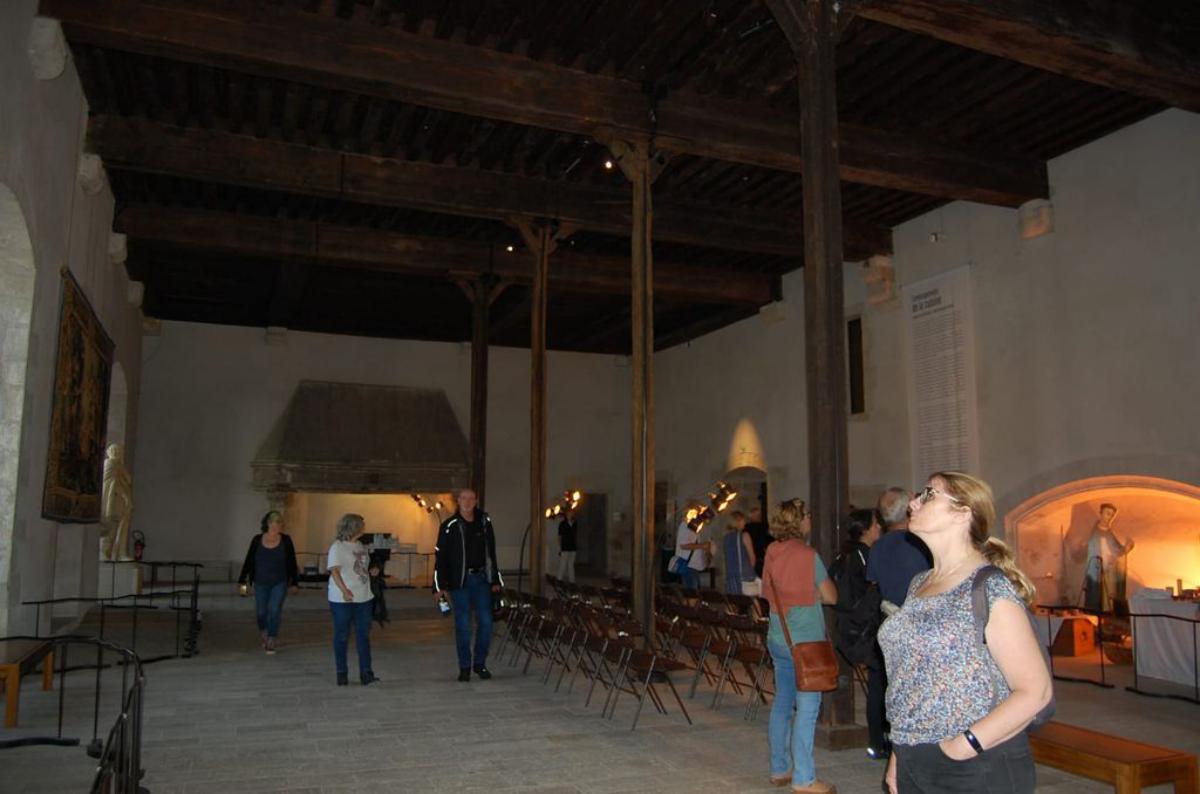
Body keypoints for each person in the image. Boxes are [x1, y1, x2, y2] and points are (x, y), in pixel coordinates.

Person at [880, 473, 1052, 794]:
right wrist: (899, 752)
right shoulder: (920, 583)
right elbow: (910, 677)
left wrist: (961, 746)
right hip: (913, 755)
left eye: (928, 495)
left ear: (963, 513)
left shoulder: (988, 587)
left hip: (975, 766)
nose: (913, 503)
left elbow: (1036, 691)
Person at [762, 498, 838, 794]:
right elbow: (832, 596)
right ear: (797, 521)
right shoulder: (808, 556)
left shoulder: (771, 551)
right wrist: (813, 595)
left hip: (779, 637)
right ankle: (804, 779)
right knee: (807, 710)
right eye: (806, 514)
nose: (809, 518)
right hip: (806, 644)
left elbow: (769, 590)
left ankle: (779, 768)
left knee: (782, 703)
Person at [830, 509, 887, 757]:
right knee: (879, 683)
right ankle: (879, 740)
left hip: (850, 625)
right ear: (864, 529)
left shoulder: (845, 553)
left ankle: (877, 740)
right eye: (875, 524)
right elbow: (870, 591)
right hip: (864, 627)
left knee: (877, 682)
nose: (879, 528)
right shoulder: (864, 555)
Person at [434, 489, 503, 682]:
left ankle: (479, 663)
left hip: (481, 579)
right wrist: (438, 586)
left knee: (487, 622)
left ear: (476, 501)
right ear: (458, 501)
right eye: (464, 498)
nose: (468, 501)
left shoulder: (484, 522)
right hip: (460, 582)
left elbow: (491, 553)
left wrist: (495, 580)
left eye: (471, 498)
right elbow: (440, 557)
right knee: (463, 625)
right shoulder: (449, 526)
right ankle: (464, 667)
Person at [237, 510, 299, 655]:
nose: (276, 525)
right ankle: (264, 631)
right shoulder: (257, 540)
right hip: (260, 582)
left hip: (279, 582)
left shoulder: (286, 540)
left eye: (279, 522)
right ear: (267, 523)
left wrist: (294, 582)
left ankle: (271, 638)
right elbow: (249, 561)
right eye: (273, 522)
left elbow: (292, 562)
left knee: (275, 610)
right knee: (261, 612)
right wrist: (242, 580)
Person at [327, 513, 378, 686]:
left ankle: (366, 672)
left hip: (363, 596)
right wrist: (344, 590)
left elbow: (360, 567)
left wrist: (371, 571)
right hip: (342, 599)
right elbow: (334, 571)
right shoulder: (337, 547)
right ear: (353, 527)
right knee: (342, 635)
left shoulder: (360, 545)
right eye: (361, 525)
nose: (364, 527)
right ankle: (342, 672)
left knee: (363, 636)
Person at [866, 487, 932, 610]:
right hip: (920, 612)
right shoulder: (921, 543)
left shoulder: (877, 546)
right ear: (908, 511)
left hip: (890, 614)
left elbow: (874, 582)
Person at [1082, 502, 1134, 613]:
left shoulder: (1109, 533)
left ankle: (1106, 614)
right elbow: (1085, 548)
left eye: (1112, 515)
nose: (1109, 517)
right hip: (1095, 569)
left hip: (1108, 570)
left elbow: (1118, 551)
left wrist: (1126, 548)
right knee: (1094, 594)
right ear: (1100, 513)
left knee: (1107, 598)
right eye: (1107, 513)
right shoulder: (1093, 532)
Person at [670, 500, 712, 590]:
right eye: (698, 510)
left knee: (694, 594)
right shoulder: (685, 525)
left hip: (695, 567)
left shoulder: (695, 526)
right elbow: (683, 545)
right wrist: (702, 546)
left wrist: (706, 556)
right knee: (691, 595)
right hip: (689, 567)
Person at [721, 510, 757, 594]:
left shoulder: (726, 538)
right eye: (743, 520)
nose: (745, 523)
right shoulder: (744, 536)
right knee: (750, 600)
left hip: (731, 577)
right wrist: (750, 571)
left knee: (733, 600)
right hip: (744, 576)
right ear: (737, 521)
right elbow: (752, 557)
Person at [746, 504, 772, 580]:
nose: (759, 517)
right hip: (758, 558)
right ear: (751, 516)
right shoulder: (763, 527)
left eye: (759, 515)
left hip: (757, 558)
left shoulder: (747, 529)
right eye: (757, 515)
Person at [557, 509, 579, 583]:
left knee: (571, 565)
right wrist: (560, 547)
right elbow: (559, 537)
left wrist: (576, 544)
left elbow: (575, 535)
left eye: (571, 513)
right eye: (568, 513)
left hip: (573, 547)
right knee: (563, 564)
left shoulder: (575, 523)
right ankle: (559, 580)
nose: (570, 515)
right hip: (565, 547)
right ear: (566, 515)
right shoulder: (562, 524)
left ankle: (572, 581)